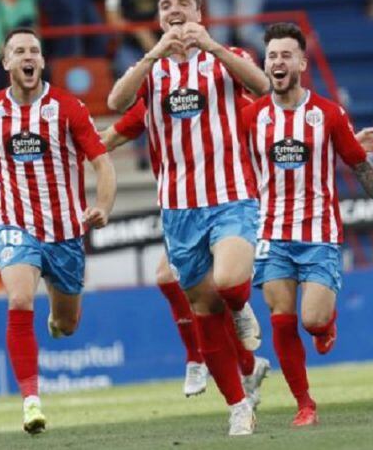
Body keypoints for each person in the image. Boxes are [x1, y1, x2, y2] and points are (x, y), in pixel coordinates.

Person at [106, 0, 271, 437]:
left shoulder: (228, 57)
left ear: (199, 11)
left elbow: (262, 86)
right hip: (179, 208)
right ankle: (238, 405)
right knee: (203, 309)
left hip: (231, 195)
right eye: (166, 5)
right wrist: (152, 54)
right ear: (159, 17)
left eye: (183, 2)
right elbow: (116, 101)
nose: (174, 10)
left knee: (230, 282)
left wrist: (212, 46)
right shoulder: (152, 72)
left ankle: (241, 306)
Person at [0, 27, 116, 435]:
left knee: (67, 324)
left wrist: (103, 207)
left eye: (34, 51)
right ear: (6, 62)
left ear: (41, 61)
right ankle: (31, 402)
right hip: (16, 224)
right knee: (20, 299)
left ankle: (58, 319)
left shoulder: (68, 108)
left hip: (65, 231)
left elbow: (102, 162)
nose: (28, 57)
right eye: (19, 51)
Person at [244, 23, 373, 427]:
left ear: (302, 63)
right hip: (271, 232)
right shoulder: (251, 117)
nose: (278, 62)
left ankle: (325, 326)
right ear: (265, 64)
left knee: (312, 319)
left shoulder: (327, 114)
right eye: (272, 56)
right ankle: (305, 404)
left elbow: (362, 169)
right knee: (281, 316)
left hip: (319, 233)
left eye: (286, 55)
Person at [99, 103, 270, 406]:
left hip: (229, 202)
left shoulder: (224, 94)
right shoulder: (156, 98)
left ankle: (207, 358)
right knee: (182, 284)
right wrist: (66, 140)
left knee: (218, 286)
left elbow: (272, 124)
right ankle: (243, 367)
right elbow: (108, 138)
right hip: (183, 207)